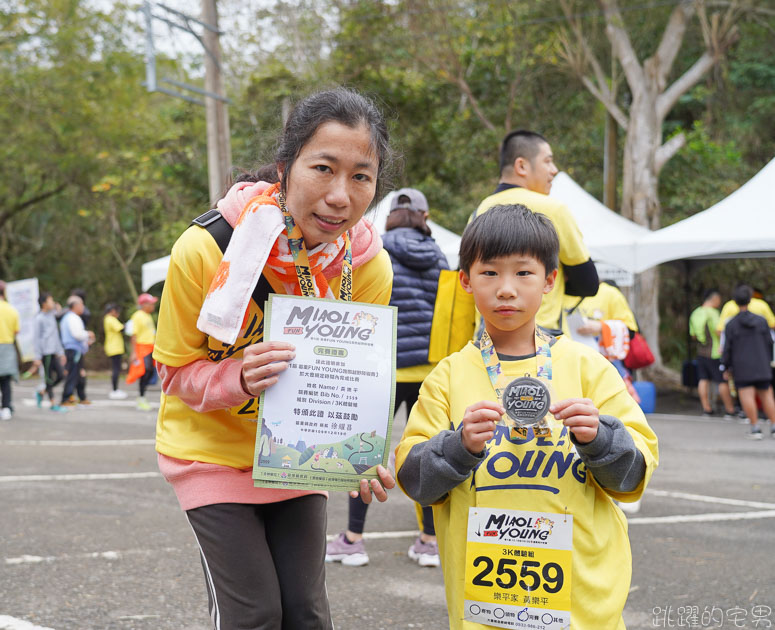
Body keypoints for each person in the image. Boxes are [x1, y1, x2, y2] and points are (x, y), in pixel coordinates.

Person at [153, 87, 397, 629]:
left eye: (361, 176)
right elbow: (173, 371)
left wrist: (361, 452)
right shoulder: (209, 249)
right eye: (323, 169)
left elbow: (357, 385)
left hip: (299, 458)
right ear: (285, 168)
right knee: (255, 614)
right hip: (210, 455)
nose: (340, 196)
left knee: (307, 614)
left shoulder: (368, 268)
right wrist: (236, 377)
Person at [396, 205, 658, 630]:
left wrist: (600, 439)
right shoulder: (449, 376)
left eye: (523, 273)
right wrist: (458, 446)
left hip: (583, 605)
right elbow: (415, 481)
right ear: (465, 281)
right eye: (489, 273)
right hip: (486, 607)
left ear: (550, 281)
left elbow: (634, 477)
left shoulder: (588, 368)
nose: (505, 289)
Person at [326, 187, 448, 568]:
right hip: (429, 370)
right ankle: (429, 541)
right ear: (425, 218)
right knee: (426, 454)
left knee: (363, 455)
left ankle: (353, 540)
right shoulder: (440, 257)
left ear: (390, 217)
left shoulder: (375, 250)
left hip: (383, 368)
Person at [471, 129, 598, 333]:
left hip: (487, 338)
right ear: (521, 165)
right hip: (540, 336)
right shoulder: (553, 210)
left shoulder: (479, 211)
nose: (554, 170)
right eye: (547, 161)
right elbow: (588, 284)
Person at [721, 285, 775, 440]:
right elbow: (770, 342)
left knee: (747, 395)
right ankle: (773, 426)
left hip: (742, 366)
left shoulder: (731, 324)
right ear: (750, 299)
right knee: (767, 395)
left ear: (735, 301)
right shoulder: (761, 321)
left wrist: (726, 365)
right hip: (762, 363)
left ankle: (755, 427)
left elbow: (727, 348)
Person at [689, 289, 735, 418]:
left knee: (703, 379)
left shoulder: (695, 313)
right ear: (714, 299)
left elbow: (693, 335)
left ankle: (706, 409)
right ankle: (729, 410)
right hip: (715, 352)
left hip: (701, 352)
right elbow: (719, 331)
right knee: (722, 381)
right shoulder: (713, 313)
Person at [32, 292, 67, 412]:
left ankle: (42, 392)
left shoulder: (52, 316)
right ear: (44, 304)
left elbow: (56, 336)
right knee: (49, 378)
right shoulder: (39, 318)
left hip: (53, 352)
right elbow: (36, 339)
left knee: (61, 375)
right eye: (50, 301)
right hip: (44, 353)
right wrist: (37, 356)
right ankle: (53, 403)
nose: (53, 303)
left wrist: (60, 352)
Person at [59, 295, 94, 407]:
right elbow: (77, 334)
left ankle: (82, 397)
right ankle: (66, 398)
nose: (83, 306)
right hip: (74, 350)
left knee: (79, 374)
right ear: (75, 305)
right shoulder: (72, 317)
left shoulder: (69, 317)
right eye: (81, 304)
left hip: (74, 350)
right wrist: (88, 334)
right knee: (73, 374)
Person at [126, 294, 158, 410]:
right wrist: (133, 352)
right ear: (144, 304)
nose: (153, 305)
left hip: (150, 347)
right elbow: (133, 335)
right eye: (151, 303)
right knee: (145, 371)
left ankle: (142, 396)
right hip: (142, 348)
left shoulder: (148, 316)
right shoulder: (137, 316)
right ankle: (141, 397)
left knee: (149, 372)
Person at [0, 280, 20, 421]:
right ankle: (6, 407)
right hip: (7, 346)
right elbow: (16, 331)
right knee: (6, 380)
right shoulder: (12, 310)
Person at [103, 303, 128, 400]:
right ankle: (115, 390)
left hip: (114, 347)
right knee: (116, 369)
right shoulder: (110, 319)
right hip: (114, 347)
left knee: (116, 369)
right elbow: (121, 328)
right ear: (112, 311)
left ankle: (115, 389)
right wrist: (129, 324)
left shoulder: (108, 319)